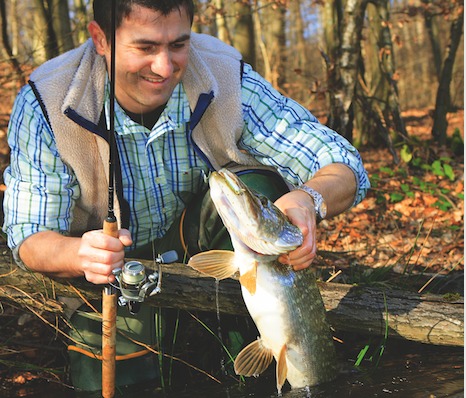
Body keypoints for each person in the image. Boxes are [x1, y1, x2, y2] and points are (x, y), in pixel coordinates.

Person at [3, 0, 370, 391]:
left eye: (178, 44)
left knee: (259, 188)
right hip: (110, 284)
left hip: (211, 257)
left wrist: (308, 200)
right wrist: (78, 254)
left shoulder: (224, 74)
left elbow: (339, 161)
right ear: (100, 39)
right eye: (144, 47)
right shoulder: (48, 101)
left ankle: (238, 341)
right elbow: (29, 236)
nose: (164, 67)